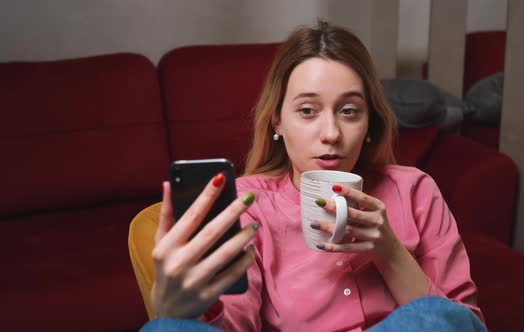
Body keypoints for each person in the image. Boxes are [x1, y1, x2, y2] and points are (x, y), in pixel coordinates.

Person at [143, 21, 486, 332]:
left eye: (349, 111)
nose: (331, 133)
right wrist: (184, 310)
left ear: (370, 125)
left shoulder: (415, 191)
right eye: (307, 111)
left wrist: (389, 251)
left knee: (433, 317)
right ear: (277, 120)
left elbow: (464, 324)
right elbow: (232, 323)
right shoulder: (248, 205)